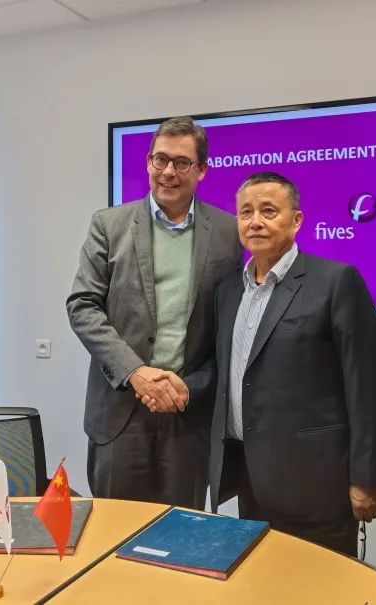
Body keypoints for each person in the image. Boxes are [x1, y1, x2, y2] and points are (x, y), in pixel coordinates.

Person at [206, 171, 376, 555]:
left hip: (316, 484)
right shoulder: (228, 291)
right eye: (245, 212)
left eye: (268, 211)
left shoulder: (336, 282)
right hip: (250, 478)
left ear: (296, 220)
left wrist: (366, 476)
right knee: (259, 578)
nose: (255, 221)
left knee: (320, 583)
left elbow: (369, 387)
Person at [67, 116, 241, 508]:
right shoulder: (109, 225)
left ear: (201, 169)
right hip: (120, 415)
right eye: (160, 159)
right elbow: (82, 305)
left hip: (186, 414)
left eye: (181, 162)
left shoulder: (228, 233)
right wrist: (135, 372)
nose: (168, 171)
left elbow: (227, 329)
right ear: (148, 162)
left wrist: (190, 387)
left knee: (180, 535)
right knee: (115, 532)